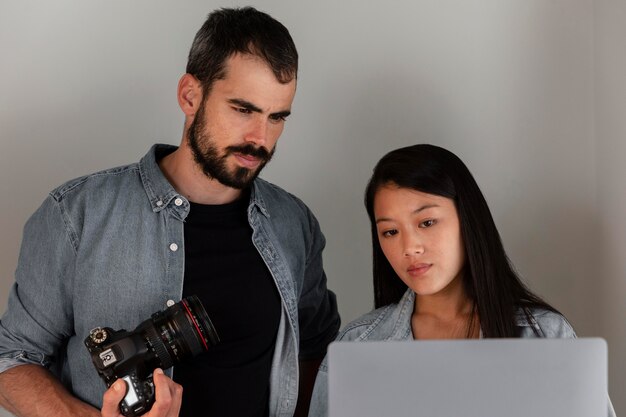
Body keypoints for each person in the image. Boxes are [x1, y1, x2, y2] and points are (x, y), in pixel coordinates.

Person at [0, 7, 340, 417]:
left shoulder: (293, 224)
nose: (260, 139)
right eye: (243, 110)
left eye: (277, 117)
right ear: (189, 96)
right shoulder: (77, 215)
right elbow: (11, 359)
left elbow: (316, 349)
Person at [307, 144, 615, 417]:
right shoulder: (357, 347)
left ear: (467, 220)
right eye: (390, 231)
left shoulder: (546, 336)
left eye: (426, 222)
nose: (409, 247)